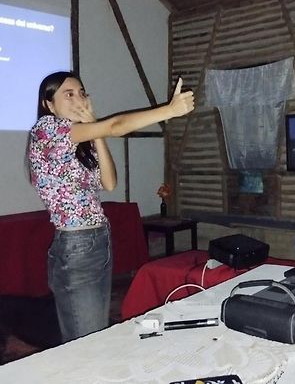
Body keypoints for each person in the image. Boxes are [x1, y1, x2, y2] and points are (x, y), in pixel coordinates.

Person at [27, 71, 194, 342]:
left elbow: (110, 182)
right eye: (68, 94)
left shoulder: (78, 142)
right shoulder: (47, 130)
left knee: (93, 332)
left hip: (97, 240)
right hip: (76, 245)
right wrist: (169, 111)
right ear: (49, 105)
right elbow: (116, 125)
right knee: (87, 340)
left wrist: (96, 129)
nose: (78, 98)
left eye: (81, 92)